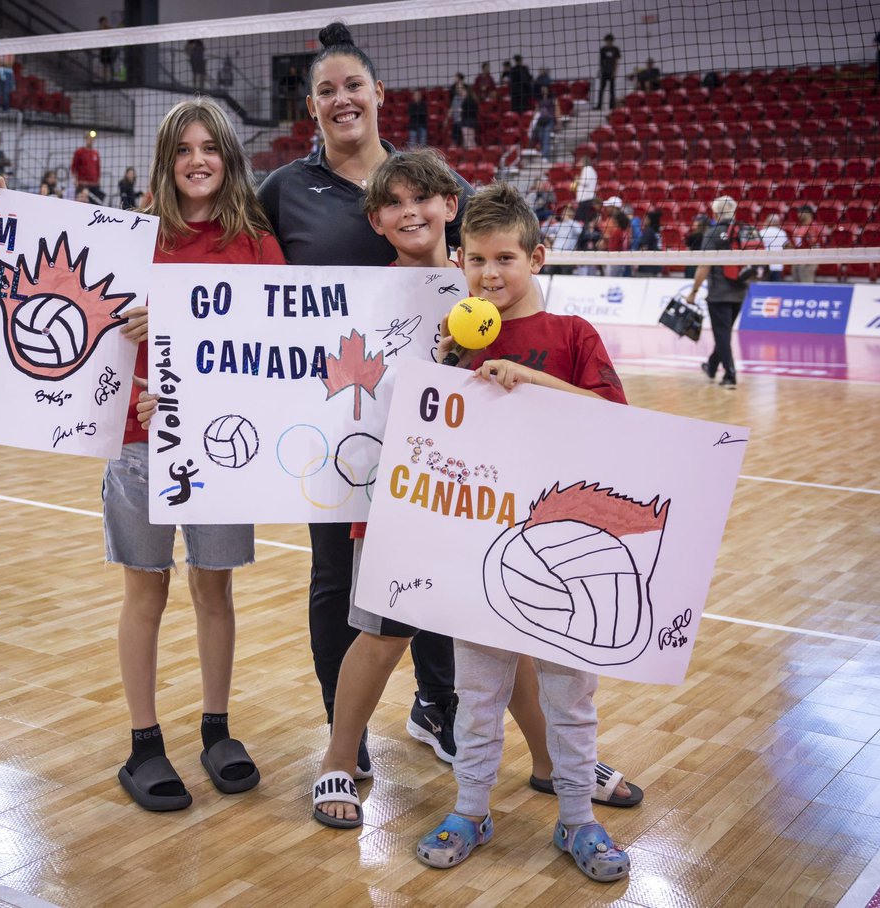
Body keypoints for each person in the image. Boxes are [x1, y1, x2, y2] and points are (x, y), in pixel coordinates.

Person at [0, 98, 285, 812]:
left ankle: (216, 729)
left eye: (210, 147)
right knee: (146, 590)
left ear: (229, 159)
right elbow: (21, 249)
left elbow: (272, 349)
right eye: (183, 150)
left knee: (215, 591)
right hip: (138, 445)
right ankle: (144, 742)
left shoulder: (258, 244)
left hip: (219, 450)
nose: (197, 161)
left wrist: (185, 340)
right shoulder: (130, 239)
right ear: (164, 162)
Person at [258, 21, 472, 776]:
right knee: (335, 578)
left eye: (353, 85)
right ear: (310, 107)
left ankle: (437, 707)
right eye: (326, 91)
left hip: (434, 422)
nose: (341, 99)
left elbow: (484, 278)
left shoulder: (432, 184)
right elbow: (227, 274)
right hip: (333, 418)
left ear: (379, 94)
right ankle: (342, 739)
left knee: (435, 571)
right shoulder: (284, 190)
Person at [416, 183, 631, 884]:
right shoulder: (454, 340)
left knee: (569, 698)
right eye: (475, 259)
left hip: (568, 553)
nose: (489, 274)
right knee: (477, 697)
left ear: (537, 256)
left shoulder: (573, 336)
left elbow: (615, 418)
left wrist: (528, 383)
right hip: (482, 550)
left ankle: (576, 819)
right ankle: (472, 809)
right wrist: (447, 366)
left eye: (505, 257)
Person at [310, 148, 464, 828]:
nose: (412, 211)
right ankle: (338, 761)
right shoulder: (362, 296)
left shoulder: (479, 286)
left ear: (450, 206)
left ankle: (561, 766)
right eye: (395, 202)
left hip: (470, 497)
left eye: (424, 198)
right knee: (381, 634)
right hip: (391, 495)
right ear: (376, 220)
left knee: (496, 637)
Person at [688, 196, 750, 389]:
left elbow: (704, 266)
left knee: (722, 335)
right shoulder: (745, 230)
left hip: (719, 293)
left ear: (714, 213)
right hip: (740, 290)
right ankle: (712, 366)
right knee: (724, 333)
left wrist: (694, 291)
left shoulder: (713, 232)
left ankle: (730, 375)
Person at [544, 202, 581, 274]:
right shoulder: (558, 225)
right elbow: (543, 230)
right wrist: (548, 221)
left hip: (568, 256)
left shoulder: (576, 224)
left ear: (573, 213)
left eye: (568, 211)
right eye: (564, 211)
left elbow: (579, 231)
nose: (565, 212)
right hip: (555, 255)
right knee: (551, 277)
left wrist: (569, 220)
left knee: (565, 278)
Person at [71, 130, 103, 203]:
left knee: (94, 204)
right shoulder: (79, 152)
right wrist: (75, 179)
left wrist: (98, 181)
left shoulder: (96, 153)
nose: (91, 140)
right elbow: (74, 166)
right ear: (85, 139)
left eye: (92, 139)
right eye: (89, 138)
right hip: (82, 184)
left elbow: (98, 168)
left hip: (94, 185)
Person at [789, 206, 820, 284]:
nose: (798, 215)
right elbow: (796, 242)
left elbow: (813, 242)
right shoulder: (799, 227)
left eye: (800, 213)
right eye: (798, 213)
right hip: (798, 255)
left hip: (810, 254)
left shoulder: (813, 226)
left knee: (805, 276)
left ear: (808, 214)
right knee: (795, 276)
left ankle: (809, 295)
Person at [529, 84, 560, 160]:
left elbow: (557, 109)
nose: (543, 89)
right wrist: (533, 121)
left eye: (544, 88)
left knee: (546, 135)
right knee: (540, 135)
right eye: (542, 88)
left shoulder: (553, 99)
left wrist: (558, 122)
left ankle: (545, 156)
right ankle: (543, 152)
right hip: (540, 121)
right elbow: (536, 111)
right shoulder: (539, 99)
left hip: (549, 120)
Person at [759, 213, 789, 282]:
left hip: (765, 266)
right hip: (778, 266)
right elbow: (788, 247)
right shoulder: (782, 233)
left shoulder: (762, 232)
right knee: (776, 290)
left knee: (764, 289)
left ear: (768, 221)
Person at [634, 208, 663, 275]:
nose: (643, 220)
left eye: (645, 218)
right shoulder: (657, 231)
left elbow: (644, 248)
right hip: (657, 265)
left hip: (647, 266)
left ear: (649, 220)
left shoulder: (648, 231)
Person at [449, 81, 478, 148]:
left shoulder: (467, 100)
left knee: (467, 140)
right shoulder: (473, 99)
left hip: (466, 122)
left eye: (462, 90)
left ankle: (470, 155)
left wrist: (461, 112)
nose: (461, 92)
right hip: (472, 122)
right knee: (472, 140)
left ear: (466, 91)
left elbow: (463, 111)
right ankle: (474, 153)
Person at [596, 34, 621, 110]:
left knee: (612, 90)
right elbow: (601, 61)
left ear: (612, 41)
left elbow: (617, 61)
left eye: (610, 41)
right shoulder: (603, 49)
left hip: (611, 72)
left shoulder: (615, 49)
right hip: (604, 72)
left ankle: (612, 106)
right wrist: (599, 71)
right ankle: (599, 105)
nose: (608, 42)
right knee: (601, 89)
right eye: (607, 41)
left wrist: (615, 72)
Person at [573, 154, 598, 223]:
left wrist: (577, 180)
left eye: (580, 162)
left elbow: (585, 182)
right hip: (586, 198)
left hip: (586, 198)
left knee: (579, 219)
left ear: (584, 162)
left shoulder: (587, 169)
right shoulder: (589, 169)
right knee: (582, 218)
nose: (579, 164)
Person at [684, 212, 709, 278]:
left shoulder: (693, 236)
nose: (693, 223)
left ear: (701, 223)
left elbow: (688, 248)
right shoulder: (710, 234)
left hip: (694, 263)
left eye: (696, 221)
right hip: (705, 263)